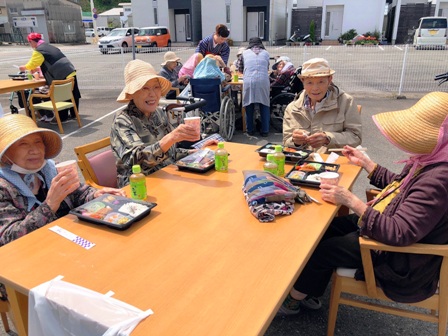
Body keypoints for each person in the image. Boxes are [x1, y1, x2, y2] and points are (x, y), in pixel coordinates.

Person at [277, 91, 448, 316]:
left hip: (400, 260)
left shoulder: (438, 178)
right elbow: (399, 186)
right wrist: (367, 164)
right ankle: (310, 288)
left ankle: (294, 298)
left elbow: (399, 233)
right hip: (388, 228)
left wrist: (352, 201)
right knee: (326, 229)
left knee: (325, 249)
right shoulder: (432, 160)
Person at [0, 114, 124, 298]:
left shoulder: (48, 169)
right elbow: (9, 240)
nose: (34, 150)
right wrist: (49, 205)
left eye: (38, 142)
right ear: (6, 153)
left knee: (113, 261)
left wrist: (96, 194)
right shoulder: (4, 187)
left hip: (65, 248)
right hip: (22, 268)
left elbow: (77, 193)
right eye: (23, 144)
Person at [110, 59, 201, 188]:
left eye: (156, 87)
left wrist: (198, 153)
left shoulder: (158, 113)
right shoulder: (123, 120)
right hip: (139, 186)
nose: (152, 94)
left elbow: (170, 152)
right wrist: (171, 137)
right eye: (145, 88)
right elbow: (137, 162)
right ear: (132, 93)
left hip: (167, 176)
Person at [282, 58, 362, 152]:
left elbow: (355, 137)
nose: (315, 88)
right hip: (304, 163)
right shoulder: (293, 108)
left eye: (321, 82)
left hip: (334, 163)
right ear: (303, 82)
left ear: (329, 80)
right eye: (309, 82)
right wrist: (295, 141)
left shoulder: (346, 101)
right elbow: (286, 142)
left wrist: (328, 138)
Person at [19, 32, 81, 122]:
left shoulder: (38, 51)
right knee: (72, 93)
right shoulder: (50, 47)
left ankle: (62, 118)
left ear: (32, 41)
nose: (30, 44)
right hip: (70, 70)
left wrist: (24, 68)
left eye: (30, 42)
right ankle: (74, 114)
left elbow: (32, 64)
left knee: (60, 95)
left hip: (61, 74)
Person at [238, 37, 270, 137]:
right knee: (264, 104)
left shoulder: (244, 53)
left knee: (249, 104)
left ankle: (250, 130)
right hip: (263, 80)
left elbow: (240, 68)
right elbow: (267, 67)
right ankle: (265, 130)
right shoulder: (266, 53)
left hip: (249, 80)